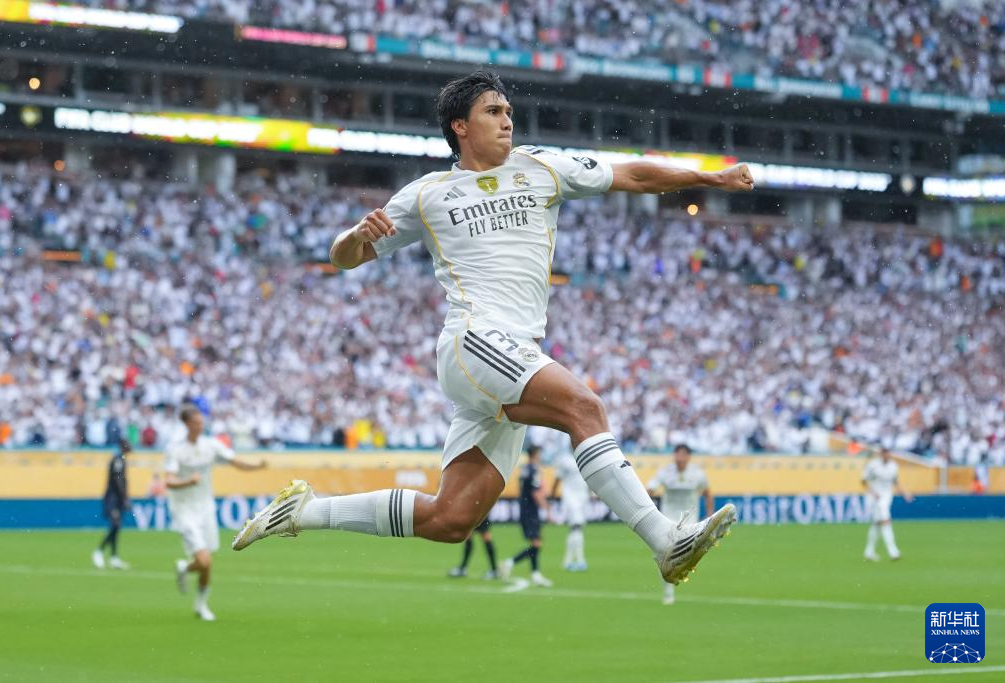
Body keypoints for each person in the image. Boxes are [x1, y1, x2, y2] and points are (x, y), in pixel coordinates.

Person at [233, 70, 751, 587]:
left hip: (513, 353)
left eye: (508, 112)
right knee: (584, 408)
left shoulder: (542, 167)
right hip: (474, 340)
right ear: (460, 126)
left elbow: (631, 174)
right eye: (493, 112)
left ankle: (304, 511)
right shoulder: (427, 195)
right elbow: (343, 256)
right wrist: (355, 236)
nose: (507, 121)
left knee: (451, 517)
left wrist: (710, 179)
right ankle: (664, 540)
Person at [165, 404, 267, 621]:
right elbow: (169, 481)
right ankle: (189, 573)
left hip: (206, 509)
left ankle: (199, 601)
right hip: (184, 510)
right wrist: (188, 481)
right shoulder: (175, 449)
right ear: (186, 424)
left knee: (207, 562)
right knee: (204, 561)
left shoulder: (211, 445)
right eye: (196, 423)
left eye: (201, 422)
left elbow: (235, 461)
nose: (200, 426)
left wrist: (257, 466)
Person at [646, 444, 713, 604]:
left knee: (684, 556)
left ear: (688, 457)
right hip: (668, 518)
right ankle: (668, 590)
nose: (680, 457)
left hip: (689, 520)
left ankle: (680, 573)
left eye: (683, 454)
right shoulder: (665, 472)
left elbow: (707, 492)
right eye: (678, 454)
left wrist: (710, 515)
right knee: (664, 554)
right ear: (674, 456)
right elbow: (650, 489)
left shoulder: (697, 473)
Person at [499, 445, 552, 586]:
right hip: (531, 511)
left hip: (525, 509)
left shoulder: (524, 469)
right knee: (536, 543)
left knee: (536, 542)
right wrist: (547, 509)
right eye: (539, 453)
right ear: (535, 454)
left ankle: (534, 574)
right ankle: (510, 563)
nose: (541, 456)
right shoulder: (534, 470)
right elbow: (535, 493)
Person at [862, 447, 913, 561]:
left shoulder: (893, 466)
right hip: (875, 498)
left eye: (888, 454)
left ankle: (869, 552)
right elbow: (864, 481)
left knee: (876, 524)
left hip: (887, 497)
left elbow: (895, 481)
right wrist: (873, 493)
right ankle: (893, 551)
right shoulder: (872, 465)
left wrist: (905, 493)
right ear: (881, 454)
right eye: (885, 454)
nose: (887, 456)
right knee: (886, 521)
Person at [92, 439, 132, 570]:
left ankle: (114, 557)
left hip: (117, 499)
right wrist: (124, 497)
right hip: (113, 499)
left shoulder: (121, 460)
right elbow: (117, 480)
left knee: (116, 527)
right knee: (115, 525)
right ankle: (99, 551)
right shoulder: (118, 460)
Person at [550, 449, 590, 571]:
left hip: (583, 497)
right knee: (577, 526)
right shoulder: (565, 461)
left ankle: (568, 561)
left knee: (576, 528)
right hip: (570, 497)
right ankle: (579, 560)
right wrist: (552, 496)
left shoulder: (584, 458)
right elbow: (558, 478)